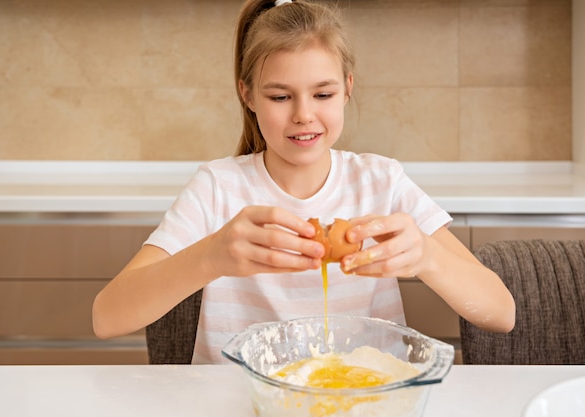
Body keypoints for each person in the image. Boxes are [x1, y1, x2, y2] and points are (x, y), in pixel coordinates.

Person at [92, 0, 515, 364]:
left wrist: (427, 258)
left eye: (323, 94)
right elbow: (107, 317)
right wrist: (211, 257)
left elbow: (501, 313)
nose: (303, 115)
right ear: (248, 95)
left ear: (347, 88)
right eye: (280, 96)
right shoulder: (218, 188)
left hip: (360, 397)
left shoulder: (383, 183)